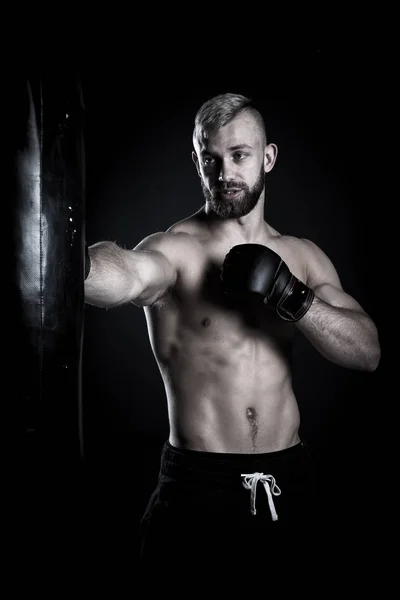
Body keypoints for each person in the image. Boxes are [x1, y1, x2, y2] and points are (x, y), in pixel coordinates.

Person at [84, 93, 381, 575]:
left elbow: (367, 351)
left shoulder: (301, 255)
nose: (224, 173)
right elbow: (127, 274)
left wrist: (292, 295)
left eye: (239, 155)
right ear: (197, 162)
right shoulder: (174, 249)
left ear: (268, 158)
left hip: (289, 482)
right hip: (197, 489)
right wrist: (70, 265)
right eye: (210, 159)